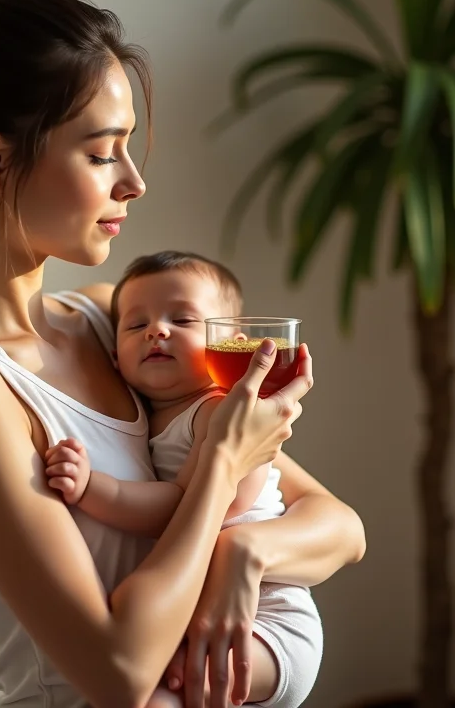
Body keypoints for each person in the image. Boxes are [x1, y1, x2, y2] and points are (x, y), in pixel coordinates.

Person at [0, 0, 366, 708]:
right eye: (99, 150)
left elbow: (339, 527)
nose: (132, 182)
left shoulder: (113, 319)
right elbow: (117, 674)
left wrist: (246, 551)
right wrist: (217, 466)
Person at [44, 250, 323, 708]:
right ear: (115, 357)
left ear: (229, 344)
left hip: (266, 619)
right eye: (137, 326)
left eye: (184, 320)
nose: (157, 330)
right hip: (199, 613)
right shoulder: (146, 420)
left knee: (164, 687)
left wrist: (93, 489)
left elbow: (197, 506)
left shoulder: (222, 412)